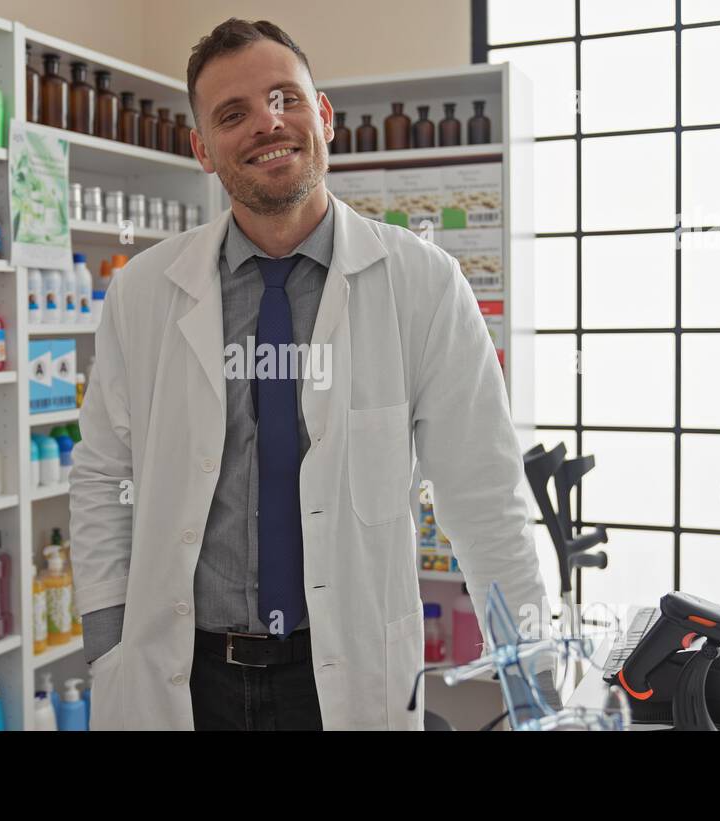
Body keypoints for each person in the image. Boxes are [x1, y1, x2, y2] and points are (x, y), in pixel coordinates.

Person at [69, 18, 553, 730]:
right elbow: (103, 473)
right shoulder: (144, 292)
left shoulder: (422, 284)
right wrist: (109, 641)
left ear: (322, 114)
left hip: (342, 676)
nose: (268, 123)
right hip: (185, 673)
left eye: (285, 98)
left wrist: (530, 676)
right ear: (203, 149)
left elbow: (484, 496)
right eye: (233, 115)